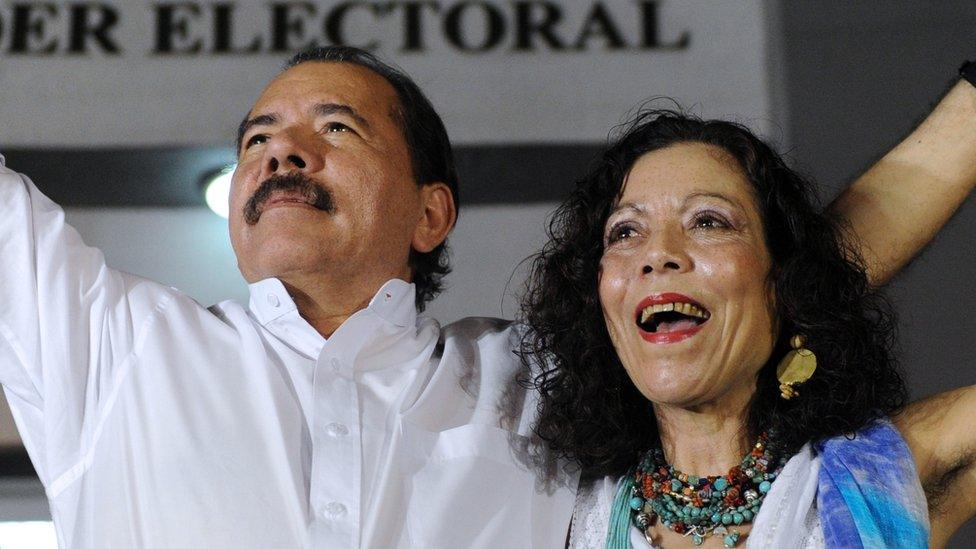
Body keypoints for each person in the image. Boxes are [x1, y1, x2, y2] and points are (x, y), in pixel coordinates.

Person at [0, 45, 973, 548]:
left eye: (334, 127)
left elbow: (778, 277)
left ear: (431, 214)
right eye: (257, 137)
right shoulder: (113, 346)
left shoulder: (538, 385)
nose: (280, 150)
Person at [520, 78, 976, 548]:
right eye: (625, 232)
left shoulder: (874, 478)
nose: (657, 254)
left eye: (707, 221)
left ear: (784, 284)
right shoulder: (557, 511)